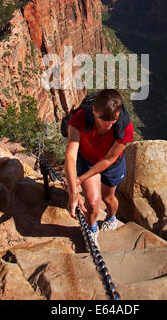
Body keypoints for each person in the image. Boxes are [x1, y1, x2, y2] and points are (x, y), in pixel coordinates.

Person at [64, 89, 134, 248]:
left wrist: (79, 180)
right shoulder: (80, 118)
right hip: (87, 159)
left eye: (113, 119)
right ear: (94, 111)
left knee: (108, 198)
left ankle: (111, 217)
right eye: (104, 119)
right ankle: (92, 228)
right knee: (93, 202)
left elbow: (109, 159)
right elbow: (70, 155)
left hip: (112, 163)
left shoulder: (124, 126)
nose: (109, 125)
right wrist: (73, 191)